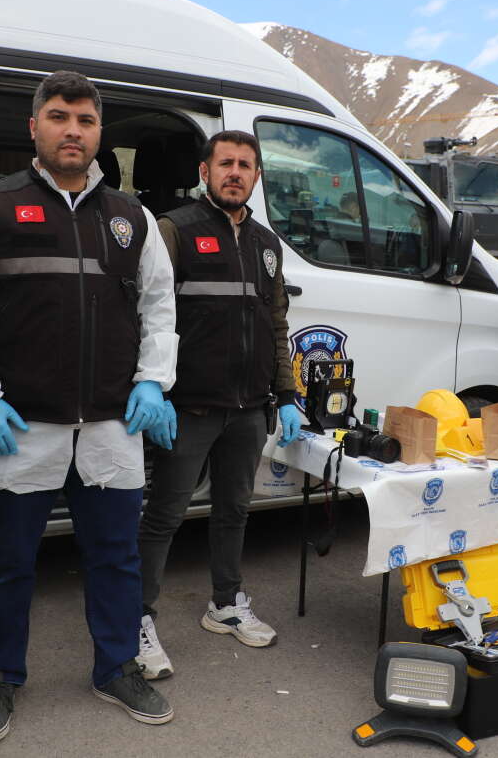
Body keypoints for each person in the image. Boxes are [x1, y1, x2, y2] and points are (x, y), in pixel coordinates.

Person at [0, 70, 178, 742]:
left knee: (116, 558)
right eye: (58, 116)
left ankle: (116, 666)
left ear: (99, 131)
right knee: (5, 563)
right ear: (34, 128)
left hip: (111, 424)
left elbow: (160, 307)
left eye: (84, 118)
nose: (72, 129)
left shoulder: (130, 217)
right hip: (20, 427)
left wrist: (153, 381)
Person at [135, 130, 301, 680]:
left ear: (256, 177)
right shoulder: (174, 230)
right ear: (205, 172)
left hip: (250, 408)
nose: (236, 172)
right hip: (189, 407)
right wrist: (152, 388)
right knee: (163, 516)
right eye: (225, 163)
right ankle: (136, 617)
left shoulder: (266, 244)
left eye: (245, 165)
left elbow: (277, 324)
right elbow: (148, 317)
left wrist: (288, 394)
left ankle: (225, 604)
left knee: (233, 512)